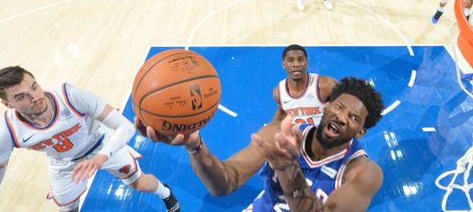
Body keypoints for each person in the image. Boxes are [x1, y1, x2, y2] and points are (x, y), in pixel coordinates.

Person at [138, 76, 385, 211]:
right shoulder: (281, 133)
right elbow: (225, 182)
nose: (342, 117)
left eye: (353, 118)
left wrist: (289, 170)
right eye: (339, 107)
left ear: (360, 132)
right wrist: (194, 144)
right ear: (327, 105)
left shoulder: (364, 173)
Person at [0, 66, 180, 212]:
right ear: (8, 104)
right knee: (68, 208)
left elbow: (126, 127)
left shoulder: (70, 96)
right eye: (21, 97)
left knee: (141, 184)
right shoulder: (7, 132)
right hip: (64, 164)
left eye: (34, 86)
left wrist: (102, 157)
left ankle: (165, 192)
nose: (35, 97)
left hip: (102, 148)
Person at [273, 44, 337, 126]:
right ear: (283, 65)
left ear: (306, 63)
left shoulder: (324, 85)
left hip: (321, 137)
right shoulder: (279, 92)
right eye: (290, 60)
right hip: (297, 137)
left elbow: (346, 101)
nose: (296, 64)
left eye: (300, 60)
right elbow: (281, 112)